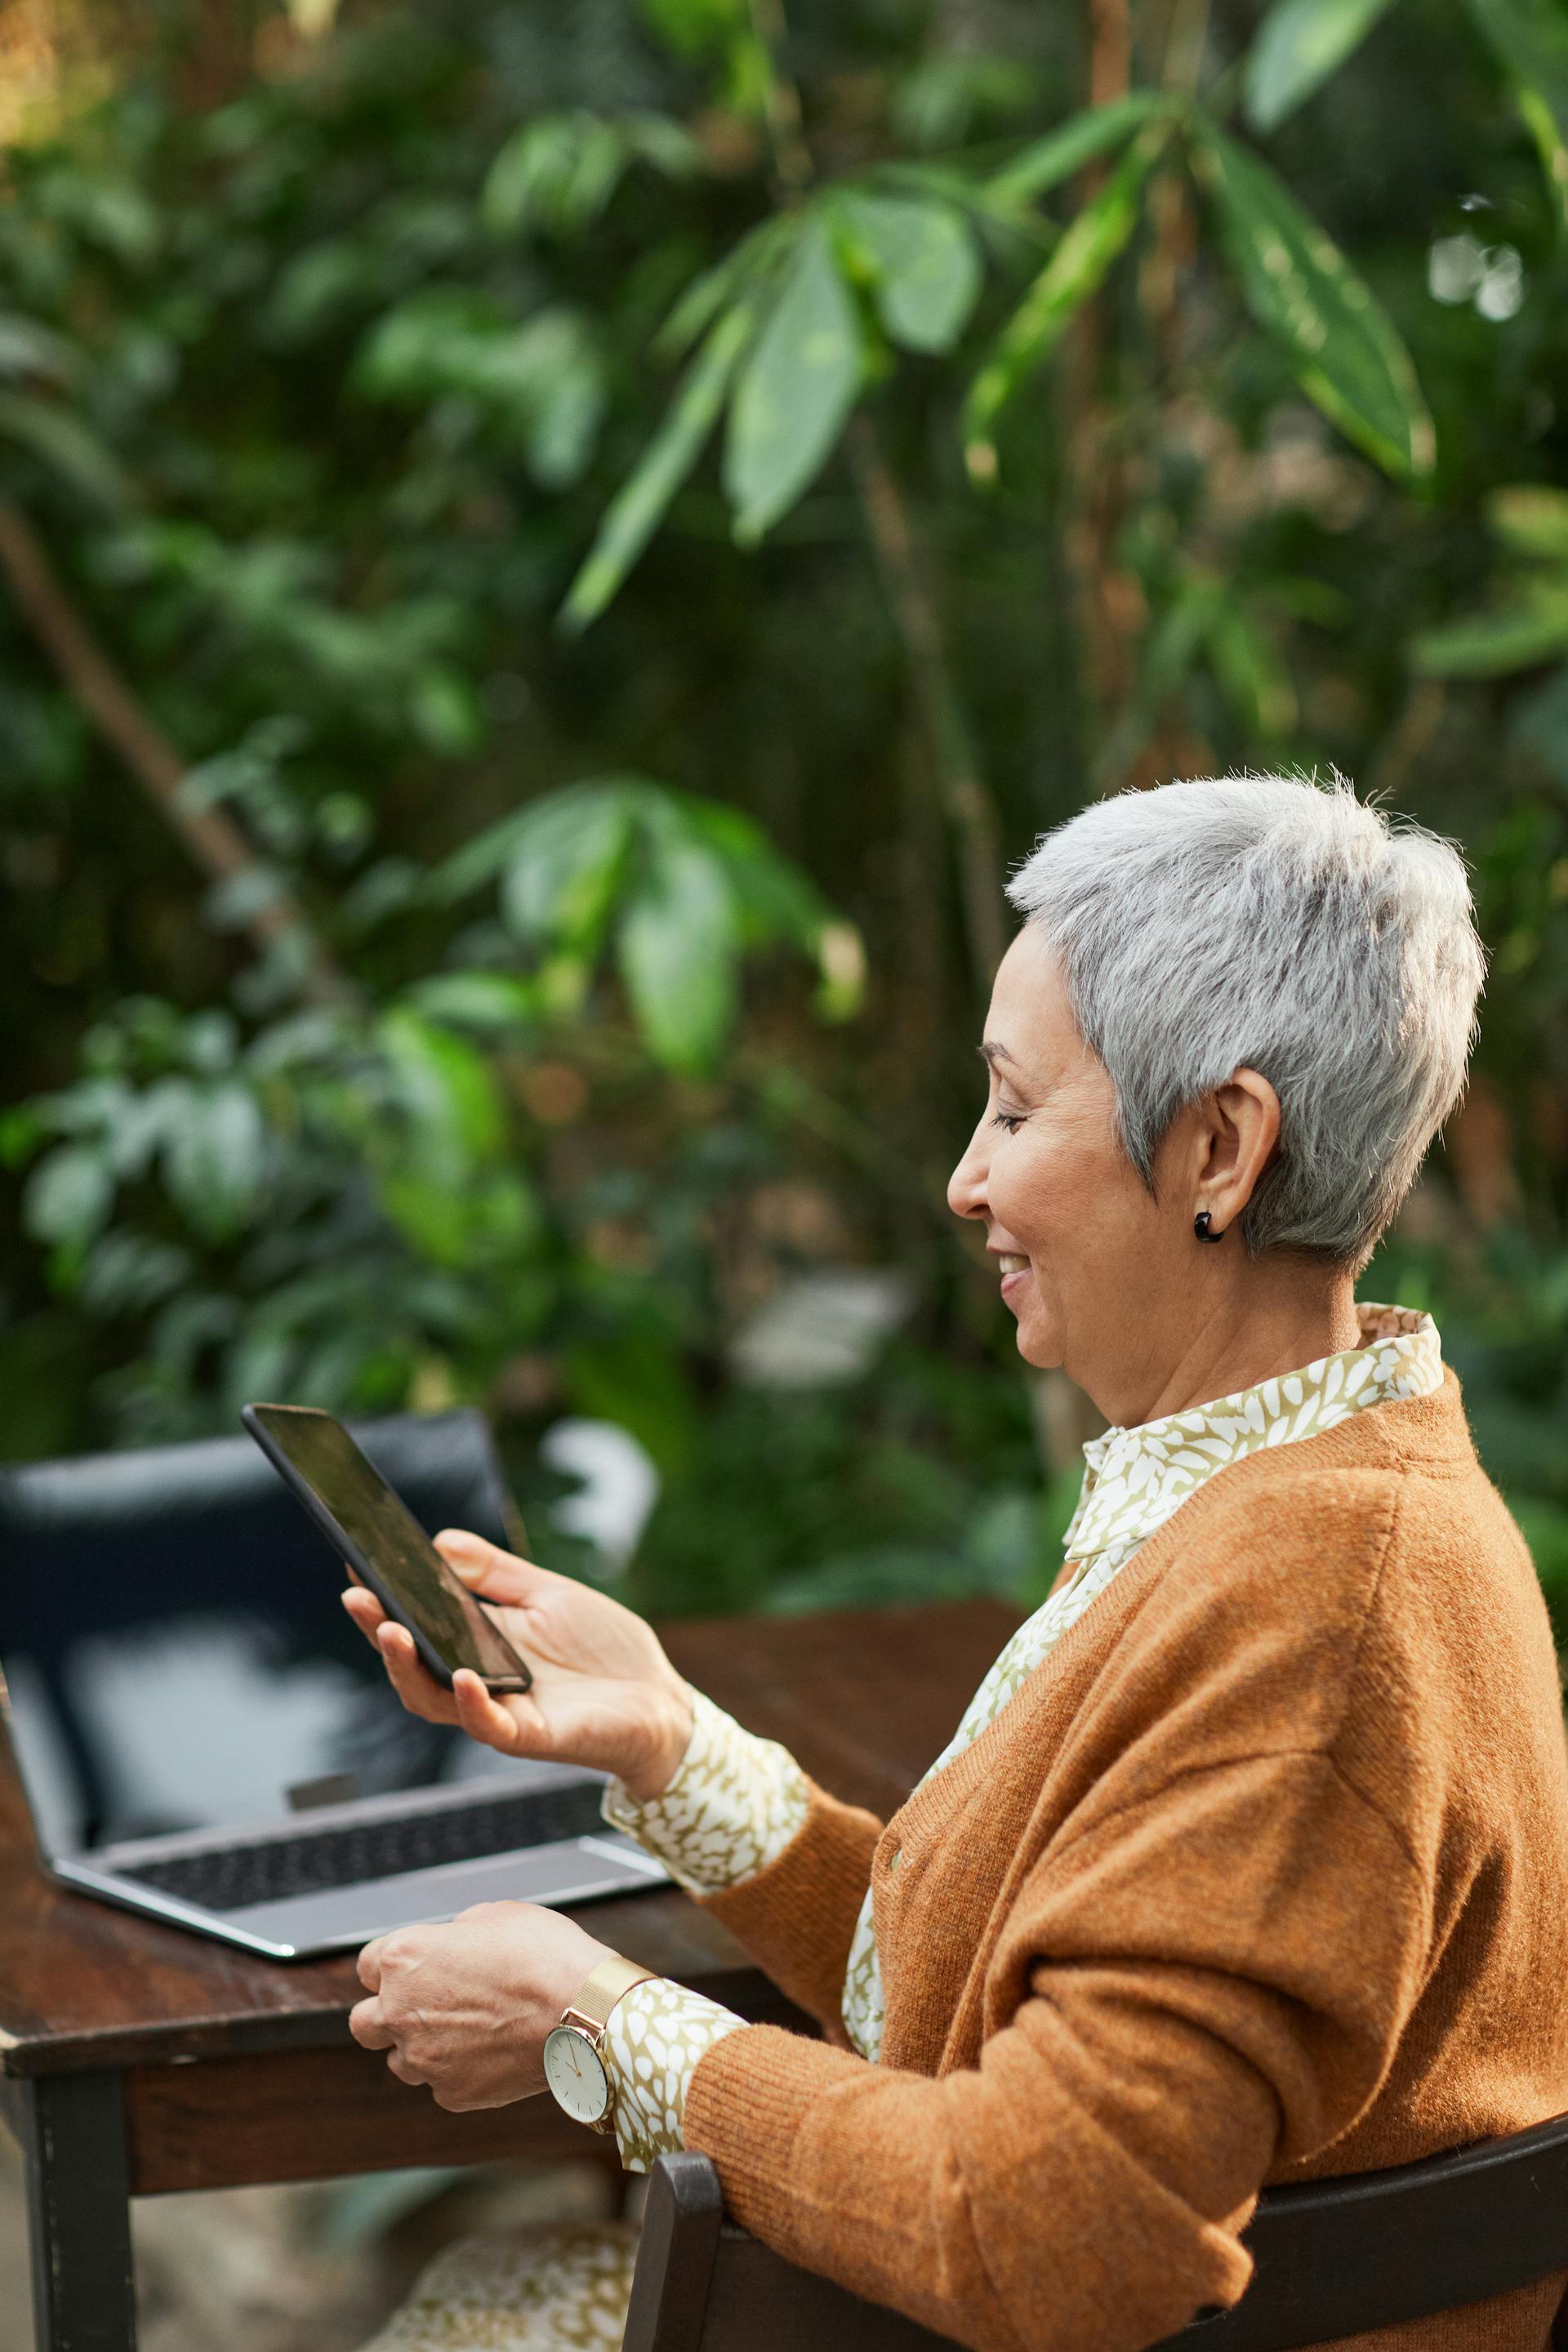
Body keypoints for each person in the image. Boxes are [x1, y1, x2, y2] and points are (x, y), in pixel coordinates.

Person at [344, 774, 1568, 2352]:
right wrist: (670, 1745)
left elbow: (1052, 2230)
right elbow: (976, 1990)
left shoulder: (1318, 1607)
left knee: (477, 2311)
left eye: (1009, 1105)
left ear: (1219, 1147)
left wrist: (601, 2018)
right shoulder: (1286, 1492)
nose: (963, 1179)